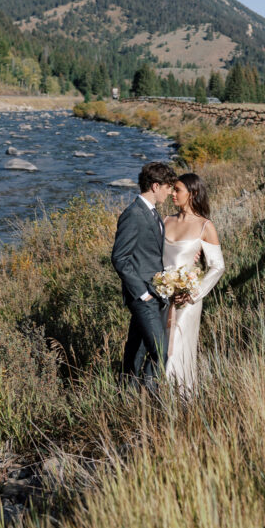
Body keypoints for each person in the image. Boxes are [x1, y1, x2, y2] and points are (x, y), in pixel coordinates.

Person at [112, 162, 177, 391]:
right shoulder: (133, 215)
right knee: (159, 351)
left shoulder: (152, 213)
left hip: (156, 294)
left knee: (136, 353)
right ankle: (154, 400)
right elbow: (120, 258)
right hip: (143, 297)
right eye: (168, 187)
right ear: (155, 186)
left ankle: (127, 398)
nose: (170, 193)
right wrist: (142, 293)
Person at [162, 173, 225, 394]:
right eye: (172, 189)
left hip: (186, 302)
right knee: (161, 348)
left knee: (178, 349)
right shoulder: (165, 221)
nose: (172, 194)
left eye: (177, 190)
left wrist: (192, 293)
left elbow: (217, 266)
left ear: (193, 193)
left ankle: (181, 399)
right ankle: (159, 398)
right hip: (162, 297)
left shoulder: (204, 226)